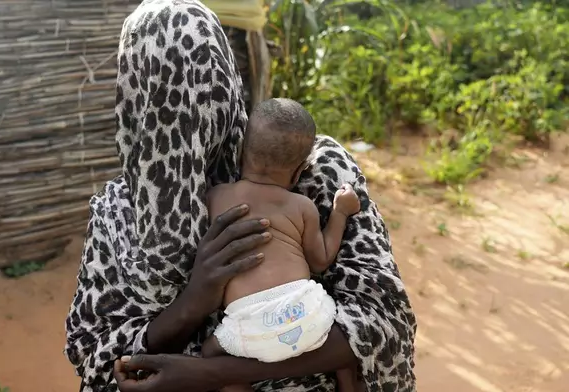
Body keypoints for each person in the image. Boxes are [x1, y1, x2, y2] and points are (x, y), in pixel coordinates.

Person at [64, 1, 417, 392]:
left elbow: (384, 318)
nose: (186, 117)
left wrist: (215, 372)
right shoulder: (116, 211)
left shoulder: (318, 168)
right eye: (164, 97)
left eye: (202, 88)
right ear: (137, 99)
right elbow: (95, 356)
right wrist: (192, 301)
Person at [200, 98, 362, 392]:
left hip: (249, 326)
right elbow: (321, 261)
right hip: (309, 315)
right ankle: (347, 380)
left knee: (210, 354)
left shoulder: (215, 198)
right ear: (300, 171)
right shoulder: (301, 206)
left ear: (239, 153)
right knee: (344, 341)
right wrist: (340, 211)